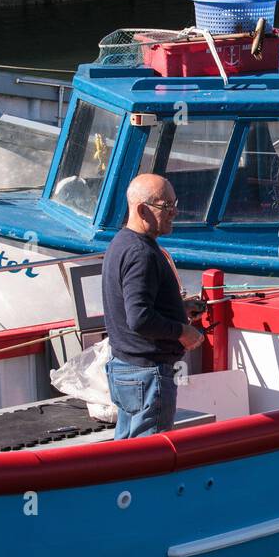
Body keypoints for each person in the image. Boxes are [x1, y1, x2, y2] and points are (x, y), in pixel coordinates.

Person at [102, 173, 205, 438]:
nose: (174, 212)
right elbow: (140, 319)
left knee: (126, 452)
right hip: (146, 375)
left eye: (175, 204)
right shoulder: (141, 254)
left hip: (126, 368)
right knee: (148, 459)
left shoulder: (121, 243)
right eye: (165, 206)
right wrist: (183, 331)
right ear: (141, 210)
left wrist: (178, 306)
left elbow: (134, 306)